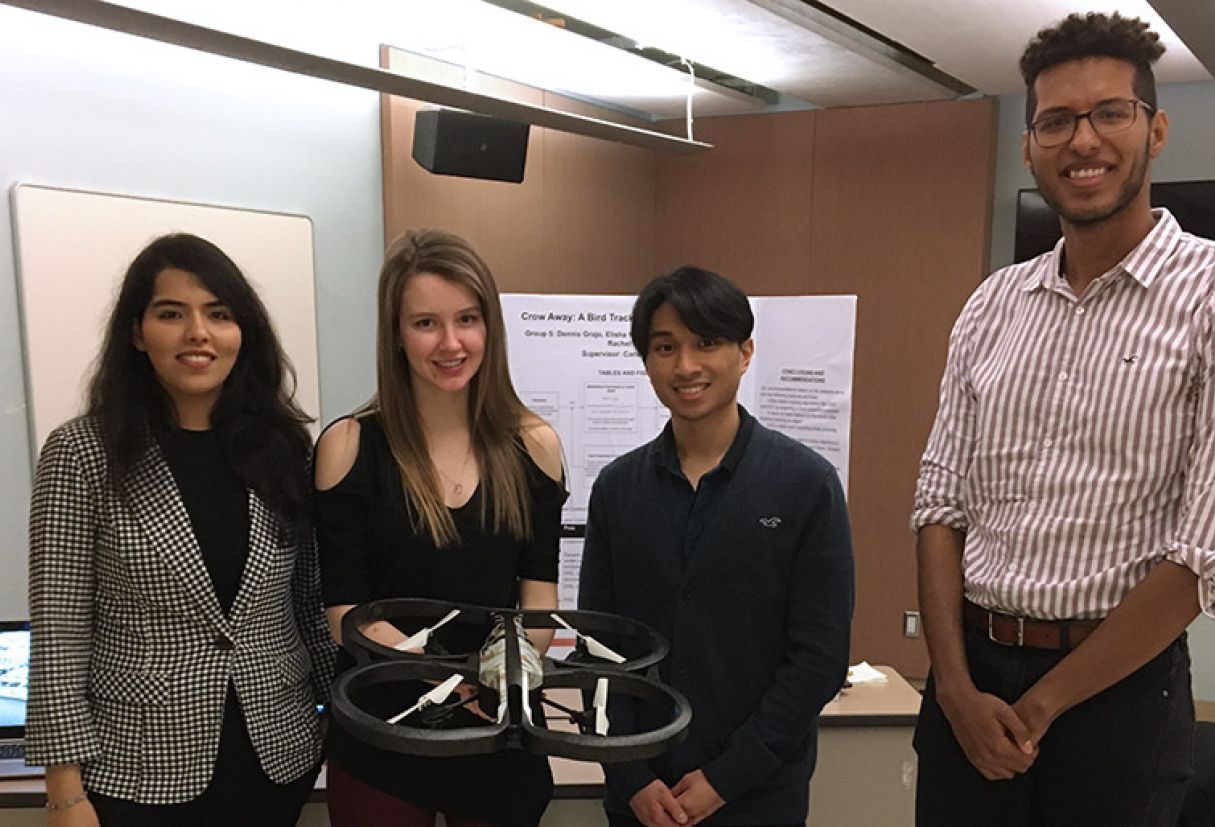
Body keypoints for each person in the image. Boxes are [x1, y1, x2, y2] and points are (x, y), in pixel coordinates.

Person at [912, 12, 1215, 827]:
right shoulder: (992, 303)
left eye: (1109, 113)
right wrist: (952, 686)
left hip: (1116, 702)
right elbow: (939, 501)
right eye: (1055, 121)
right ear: (1029, 147)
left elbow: (1204, 552)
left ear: (1155, 130)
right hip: (968, 680)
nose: (1082, 139)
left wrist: (1042, 705)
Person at [25, 233, 335, 826]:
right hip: (138, 765)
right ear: (138, 333)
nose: (198, 333)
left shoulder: (283, 448)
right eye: (171, 314)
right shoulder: (82, 454)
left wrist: (345, 717)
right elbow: (60, 632)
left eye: (218, 314)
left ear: (243, 332)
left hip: (278, 753)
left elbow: (306, 603)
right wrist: (63, 790)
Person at [579, 266, 855, 827]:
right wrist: (632, 778)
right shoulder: (617, 489)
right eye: (665, 347)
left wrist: (724, 780)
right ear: (647, 361)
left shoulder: (806, 484)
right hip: (641, 801)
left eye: (706, 343)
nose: (686, 366)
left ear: (744, 352)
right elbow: (597, 648)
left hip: (759, 797)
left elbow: (819, 659)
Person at [314, 228, 566, 827]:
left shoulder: (534, 446)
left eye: (467, 319)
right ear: (396, 334)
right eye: (426, 323)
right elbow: (346, 615)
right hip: (383, 734)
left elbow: (538, 602)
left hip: (496, 729)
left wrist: (499, 679)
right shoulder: (349, 446)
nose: (451, 343)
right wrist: (453, 678)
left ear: (489, 328)